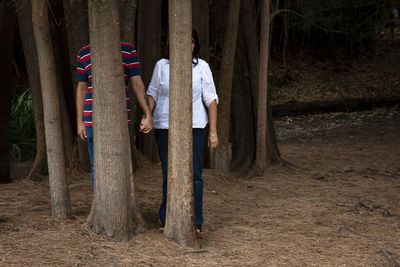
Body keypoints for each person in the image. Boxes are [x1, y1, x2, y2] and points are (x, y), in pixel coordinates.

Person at [146, 30, 219, 233]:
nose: (188, 45)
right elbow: (152, 93)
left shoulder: (202, 67)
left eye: (192, 42)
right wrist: (147, 115)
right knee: (169, 173)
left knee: (194, 174)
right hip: (164, 127)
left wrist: (213, 132)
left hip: (194, 127)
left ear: (196, 45)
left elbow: (211, 100)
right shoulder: (162, 65)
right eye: (183, 41)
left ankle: (195, 221)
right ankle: (167, 218)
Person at [76, 42, 153, 187]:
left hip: (120, 118)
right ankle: (100, 206)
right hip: (91, 119)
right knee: (97, 167)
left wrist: (147, 113)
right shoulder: (83, 53)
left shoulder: (128, 51)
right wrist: (80, 121)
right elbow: (82, 88)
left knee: (120, 164)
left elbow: (137, 84)